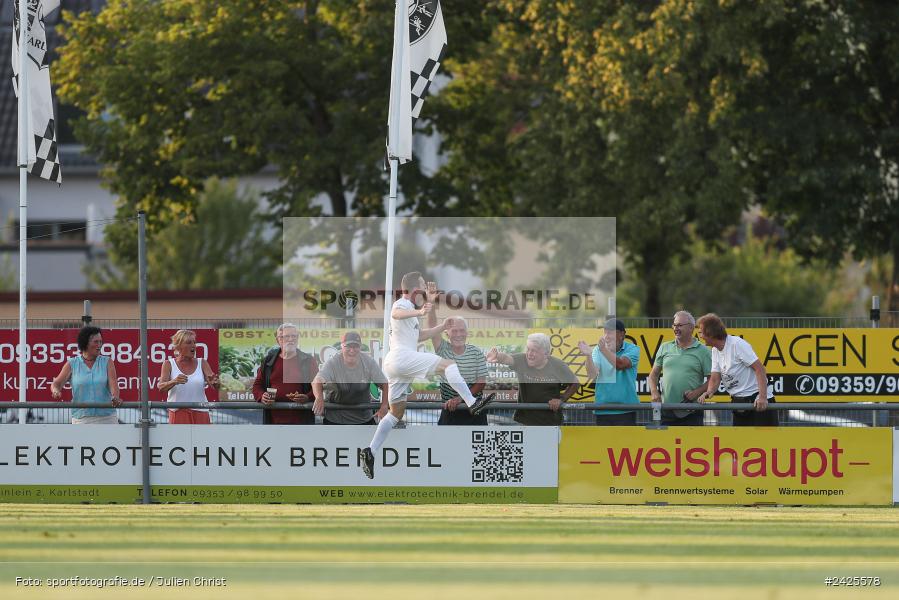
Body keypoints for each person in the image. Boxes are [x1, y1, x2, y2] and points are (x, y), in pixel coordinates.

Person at [360, 273, 495, 479]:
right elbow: (395, 313)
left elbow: (420, 336)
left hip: (395, 363)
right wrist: (421, 309)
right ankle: (472, 402)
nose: (425, 289)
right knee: (449, 364)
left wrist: (442, 326)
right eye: (423, 286)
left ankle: (370, 451)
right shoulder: (403, 303)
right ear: (415, 289)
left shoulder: (411, 313)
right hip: (402, 357)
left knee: (396, 413)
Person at [696, 313, 778, 426]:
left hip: (758, 402)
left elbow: (760, 369)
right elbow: (715, 378)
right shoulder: (715, 350)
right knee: (741, 442)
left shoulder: (737, 344)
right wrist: (709, 392)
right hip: (739, 405)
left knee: (765, 443)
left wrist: (763, 397)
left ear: (710, 333)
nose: (699, 335)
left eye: (701, 332)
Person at [486, 333, 579, 426]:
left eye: (534, 351)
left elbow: (575, 383)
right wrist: (497, 356)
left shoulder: (558, 365)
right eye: (528, 349)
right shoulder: (521, 359)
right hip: (524, 421)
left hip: (551, 422)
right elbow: (506, 358)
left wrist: (561, 399)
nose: (529, 354)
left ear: (546, 353)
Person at [647, 311, 712, 426]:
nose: (676, 328)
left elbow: (713, 379)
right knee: (665, 444)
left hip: (692, 412)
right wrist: (654, 392)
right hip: (667, 411)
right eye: (674, 325)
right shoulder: (664, 347)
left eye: (680, 325)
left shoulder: (703, 351)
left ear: (691, 328)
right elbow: (653, 375)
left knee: (693, 444)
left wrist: (695, 393)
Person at [426, 309, 489, 426]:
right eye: (454, 331)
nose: (458, 334)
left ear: (467, 332)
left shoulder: (476, 352)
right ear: (446, 333)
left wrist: (460, 399)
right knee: (445, 445)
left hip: (475, 411)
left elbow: (481, 383)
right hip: (450, 410)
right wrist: (431, 304)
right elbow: (432, 328)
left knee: (477, 445)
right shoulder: (443, 349)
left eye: (462, 330)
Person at [312, 331, 389, 425]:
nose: (352, 350)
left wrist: (384, 405)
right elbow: (317, 381)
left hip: (363, 419)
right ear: (342, 346)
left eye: (355, 346)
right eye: (348, 346)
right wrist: (319, 398)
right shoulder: (333, 362)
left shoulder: (369, 362)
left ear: (360, 347)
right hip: (335, 420)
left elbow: (384, 384)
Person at [50, 326, 122, 424]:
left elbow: (114, 384)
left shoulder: (107, 362)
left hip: (107, 417)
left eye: (101, 342)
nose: (99, 345)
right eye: (96, 342)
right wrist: (56, 391)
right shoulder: (72, 363)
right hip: (81, 418)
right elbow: (57, 383)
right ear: (85, 343)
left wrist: (115, 397)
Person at [252, 323, 319, 425]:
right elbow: (257, 385)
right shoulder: (268, 361)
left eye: (294, 336)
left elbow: (318, 386)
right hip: (273, 420)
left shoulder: (308, 361)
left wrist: (307, 397)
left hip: (302, 421)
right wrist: (262, 396)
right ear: (278, 340)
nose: (290, 339)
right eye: (286, 336)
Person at [578, 319, 640, 425]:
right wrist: (588, 355)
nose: (606, 336)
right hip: (603, 410)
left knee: (626, 442)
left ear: (621, 334)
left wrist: (603, 350)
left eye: (610, 332)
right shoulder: (598, 350)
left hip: (627, 410)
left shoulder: (633, 349)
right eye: (605, 332)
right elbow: (592, 373)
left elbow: (620, 365)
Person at [158, 329, 219, 424]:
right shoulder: (168, 364)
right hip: (178, 412)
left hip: (201, 411)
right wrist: (174, 381)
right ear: (179, 346)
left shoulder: (202, 362)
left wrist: (216, 382)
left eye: (194, 342)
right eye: (189, 342)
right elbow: (161, 387)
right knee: (179, 439)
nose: (193, 345)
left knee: (202, 439)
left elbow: (215, 386)